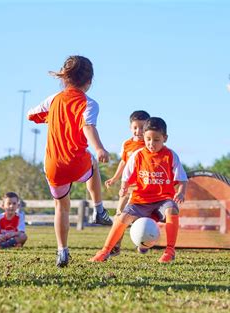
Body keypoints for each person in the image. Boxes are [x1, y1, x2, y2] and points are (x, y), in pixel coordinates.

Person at [27, 55, 112, 267]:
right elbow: (88, 126)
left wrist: (50, 117)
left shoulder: (53, 99)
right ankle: (98, 209)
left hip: (54, 165)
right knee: (92, 162)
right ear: (90, 81)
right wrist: (99, 147)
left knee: (61, 207)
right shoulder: (89, 104)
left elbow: (31, 115)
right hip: (76, 161)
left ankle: (62, 252)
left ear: (65, 78)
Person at [90, 117, 188, 264]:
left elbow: (182, 179)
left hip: (163, 199)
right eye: (148, 139)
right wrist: (123, 187)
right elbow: (126, 175)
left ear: (165, 138)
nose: (151, 143)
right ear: (144, 137)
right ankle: (105, 251)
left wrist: (180, 192)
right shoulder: (138, 155)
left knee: (172, 210)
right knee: (122, 218)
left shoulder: (171, 156)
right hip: (140, 200)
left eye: (156, 140)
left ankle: (170, 251)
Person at [104, 110, 150, 256]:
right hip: (127, 187)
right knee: (119, 216)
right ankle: (116, 246)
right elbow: (123, 162)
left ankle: (144, 243)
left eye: (142, 127)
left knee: (141, 219)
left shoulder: (150, 145)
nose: (139, 131)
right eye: (135, 127)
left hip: (143, 189)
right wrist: (115, 178)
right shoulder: (127, 144)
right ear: (131, 127)